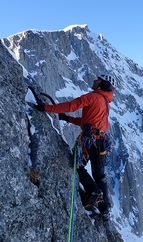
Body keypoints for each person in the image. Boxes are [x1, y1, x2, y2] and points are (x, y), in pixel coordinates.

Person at [36, 74, 115, 222]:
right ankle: (105, 209)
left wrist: (46, 108)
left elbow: (71, 106)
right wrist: (67, 119)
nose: (93, 80)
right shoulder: (105, 101)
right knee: (100, 176)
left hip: (90, 142)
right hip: (101, 142)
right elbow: (88, 122)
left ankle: (93, 191)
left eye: (97, 79)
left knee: (76, 163)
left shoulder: (93, 97)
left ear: (101, 84)